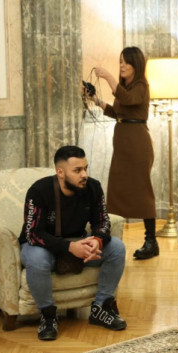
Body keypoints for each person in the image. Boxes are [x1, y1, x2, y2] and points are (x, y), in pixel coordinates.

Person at [19, 145, 127, 341]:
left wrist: (97, 240)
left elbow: (102, 222)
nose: (84, 174)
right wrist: (69, 248)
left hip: (78, 242)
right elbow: (32, 233)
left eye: (85, 168)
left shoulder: (93, 187)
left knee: (117, 248)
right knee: (36, 258)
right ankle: (48, 316)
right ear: (60, 172)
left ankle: (101, 308)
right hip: (44, 247)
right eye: (77, 170)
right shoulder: (39, 191)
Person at [90, 46, 159, 260]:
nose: (122, 65)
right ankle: (109, 239)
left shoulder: (141, 86)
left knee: (142, 191)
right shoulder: (124, 87)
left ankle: (151, 241)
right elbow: (118, 111)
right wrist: (96, 100)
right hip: (122, 146)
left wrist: (108, 77)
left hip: (137, 145)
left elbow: (129, 100)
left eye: (126, 62)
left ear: (135, 65)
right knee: (116, 190)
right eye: (120, 61)